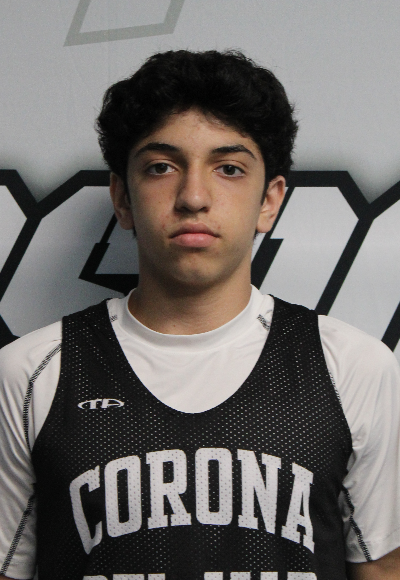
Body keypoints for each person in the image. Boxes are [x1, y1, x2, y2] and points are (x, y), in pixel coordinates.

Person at [0, 50, 399, 580]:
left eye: (229, 168)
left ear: (270, 200)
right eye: (161, 167)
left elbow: (383, 570)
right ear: (122, 198)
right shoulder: (32, 372)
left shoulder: (352, 368)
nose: (193, 197)